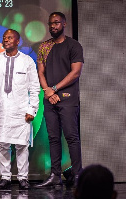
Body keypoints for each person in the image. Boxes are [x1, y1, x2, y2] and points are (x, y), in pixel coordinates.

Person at [34, 12, 84, 188]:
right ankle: (55, 175)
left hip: (68, 99)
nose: (53, 26)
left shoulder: (74, 45)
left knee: (71, 137)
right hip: (50, 99)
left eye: (56, 23)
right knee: (53, 137)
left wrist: (54, 89)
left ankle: (78, 175)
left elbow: (75, 73)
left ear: (64, 23)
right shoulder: (44, 47)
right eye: (50, 24)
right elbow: (40, 72)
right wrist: (47, 91)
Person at [0, 29, 40, 190]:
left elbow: (35, 88)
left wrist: (32, 109)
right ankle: (5, 177)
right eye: (4, 38)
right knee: (2, 144)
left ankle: (23, 178)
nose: (6, 40)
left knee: (21, 145)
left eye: (10, 38)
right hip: (1, 109)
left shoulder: (27, 61)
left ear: (17, 41)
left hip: (21, 110)